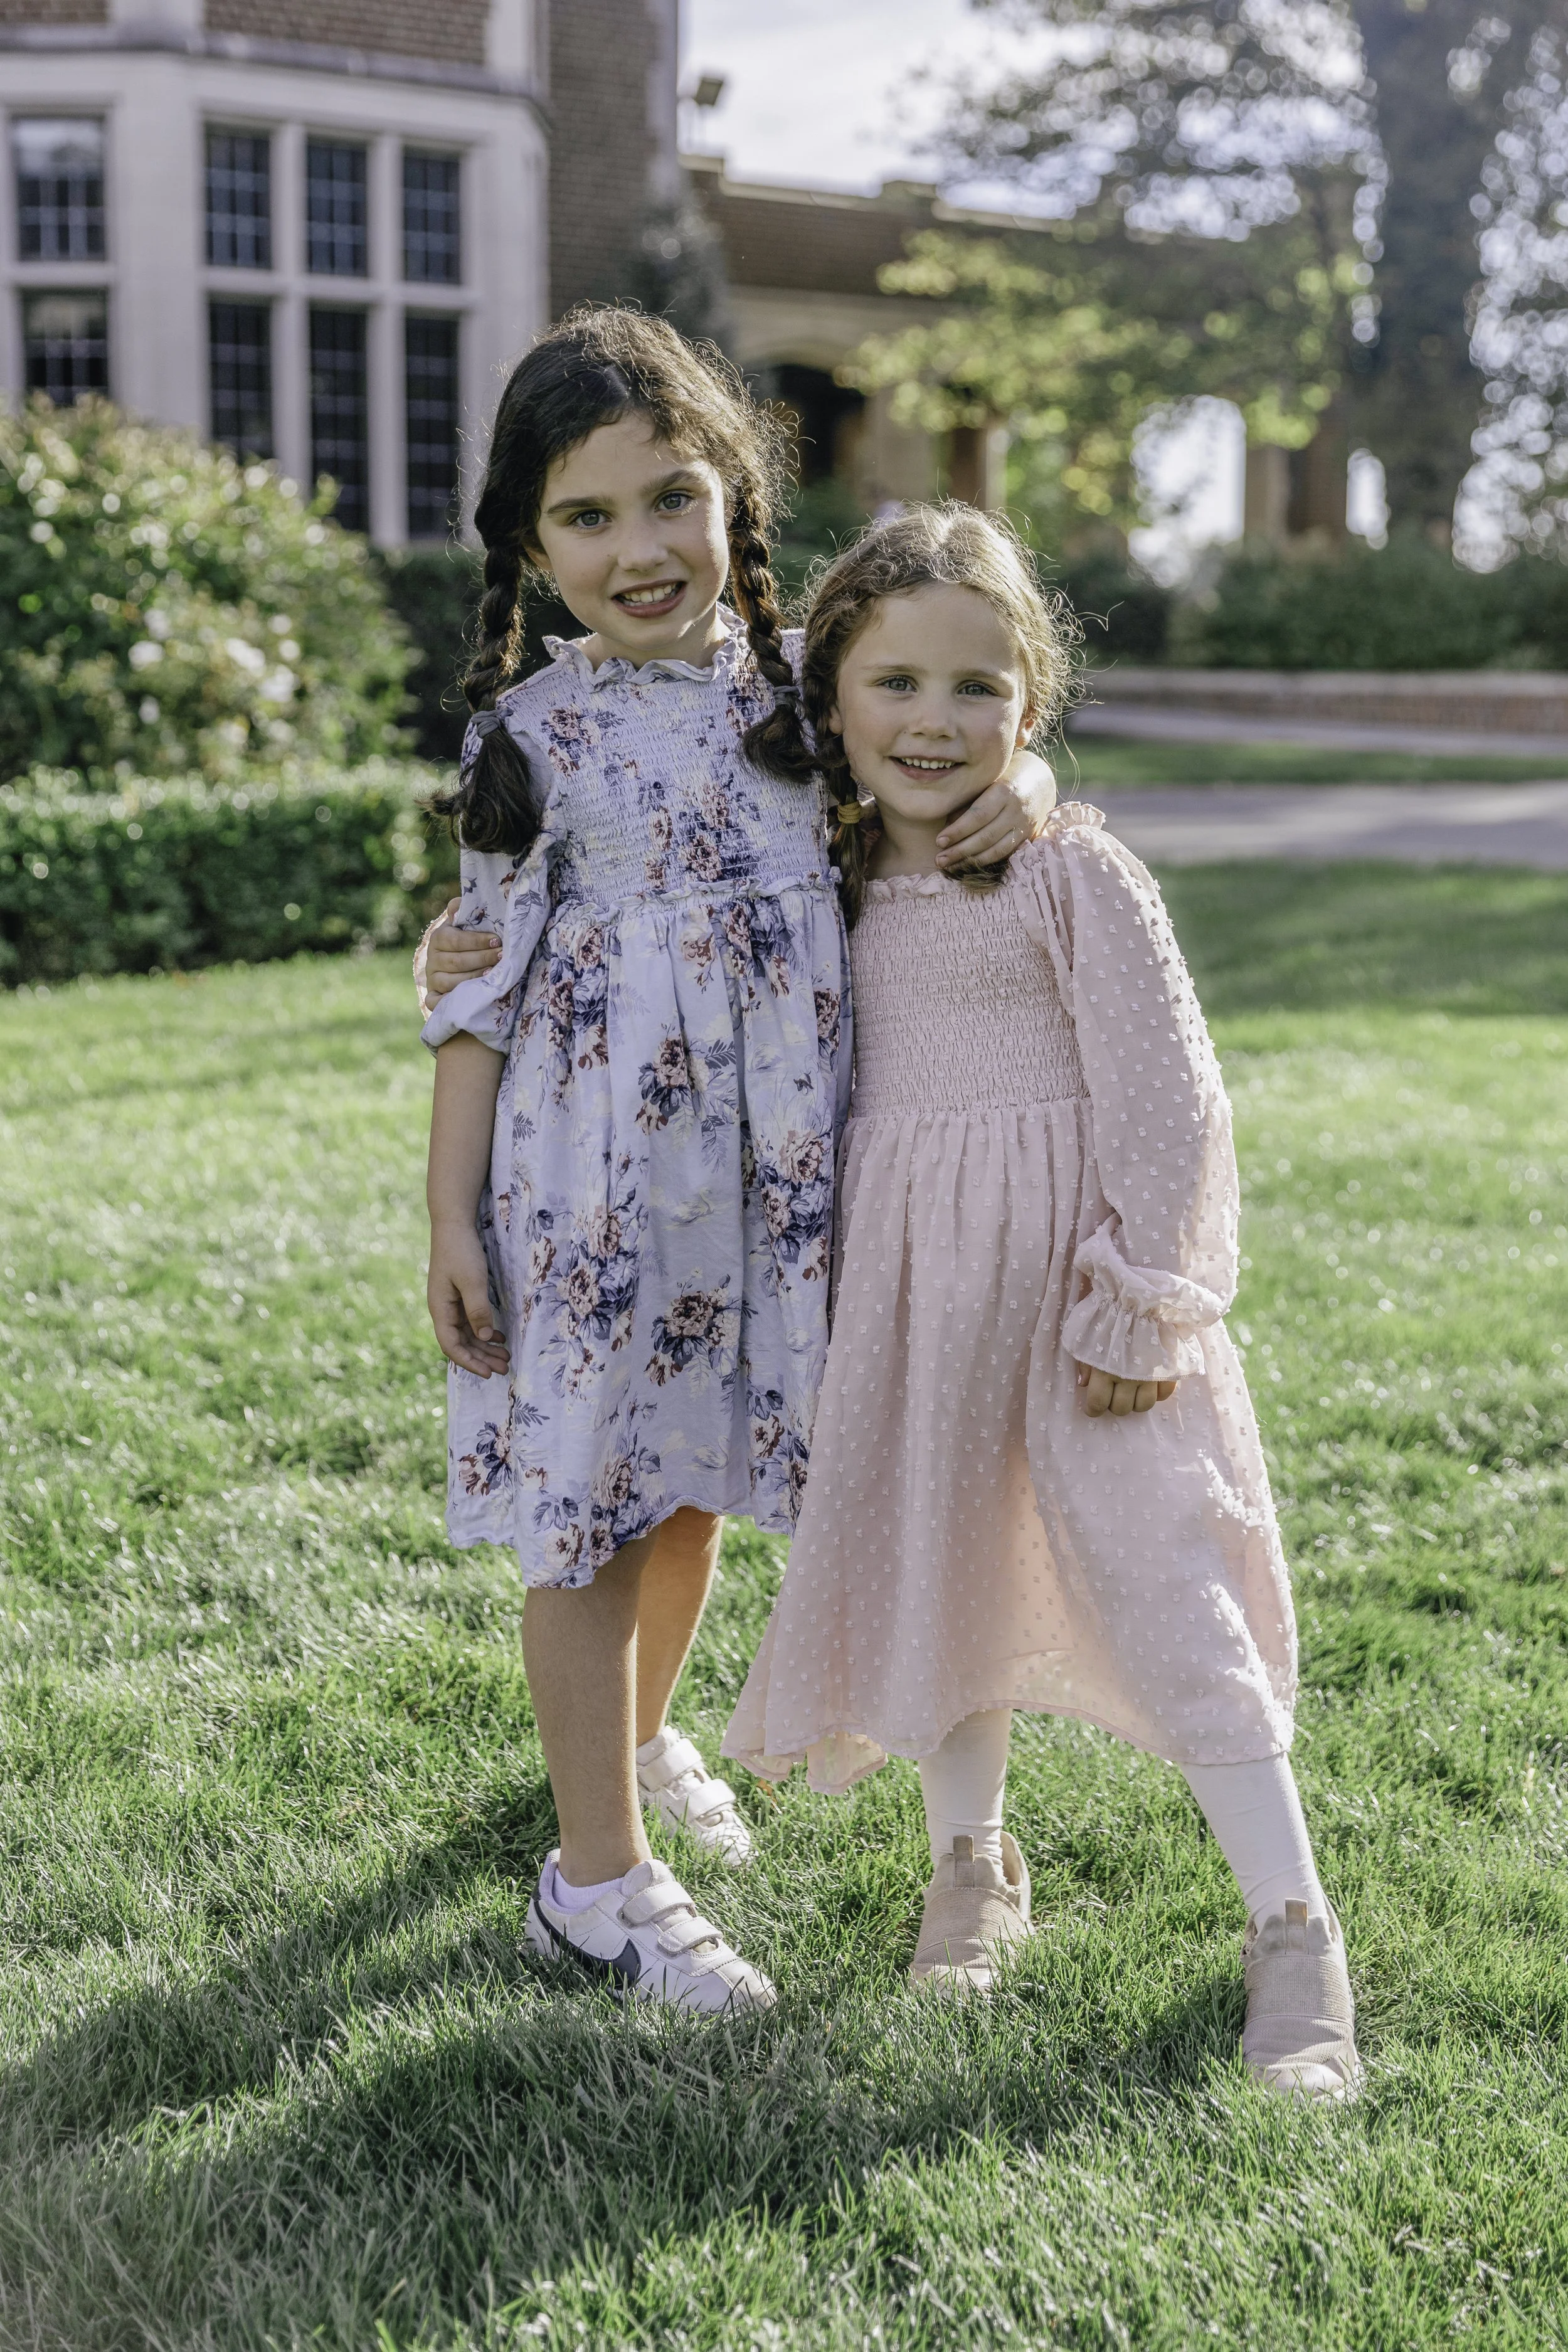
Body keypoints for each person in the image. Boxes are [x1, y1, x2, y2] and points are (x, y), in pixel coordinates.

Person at [418, 310, 1056, 2015]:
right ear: (529, 543)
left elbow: (954, 716)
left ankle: (629, 1741)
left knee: (691, 1479)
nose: (637, 549)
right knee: (593, 1518)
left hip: (765, 1192)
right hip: (588, 1202)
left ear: (734, 499)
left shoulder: (803, 696)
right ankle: (597, 1880)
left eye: (669, 498)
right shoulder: (527, 744)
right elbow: (471, 1001)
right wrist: (447, 1219)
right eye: (585, 517)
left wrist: (1031, 778)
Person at [721, 504, 1360, 2099]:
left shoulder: (1066, 870)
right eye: (894, 685)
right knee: (948, 1574)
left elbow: (1171, 1096)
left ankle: (1291, 1922)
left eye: (974, 692)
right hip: (922, 1296)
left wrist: (1146, 1297)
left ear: (1027, 706)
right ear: (830, 695)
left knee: (1168, 1595)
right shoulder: (828, 868)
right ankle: (970, 1868)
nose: (932, 723)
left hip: (1083, 1307)